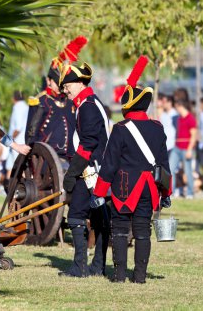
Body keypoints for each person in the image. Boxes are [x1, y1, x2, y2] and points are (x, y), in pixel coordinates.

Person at [91, 56, 172, 284]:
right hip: (149, 188)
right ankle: (140, 277)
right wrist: (166, 193)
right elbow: (163, 164)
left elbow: (109, 164)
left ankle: (119, 276)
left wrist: (98, 193)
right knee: (143, 232)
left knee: (119, 231)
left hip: (124, 187)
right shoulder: (157, 128)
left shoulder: (120, 128)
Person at [59, 36, 110, 278]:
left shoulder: (88, 106)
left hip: (90, 171)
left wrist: (71, 173)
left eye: (67, 85)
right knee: (99, 218)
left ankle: (81, 267)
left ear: (78, 83)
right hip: (95, 169)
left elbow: (88, 145)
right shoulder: (88, 103)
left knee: (77, 216)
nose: (64, 89)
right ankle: (97, 266)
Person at [169, 99, 197, 199]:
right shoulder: (179, 118)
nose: (176, 109)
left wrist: (190, 150)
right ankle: (170, 192)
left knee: (188, 170)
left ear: (181, 106)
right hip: (177, 147)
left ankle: (190, 192)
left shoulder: (190, 118)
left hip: (186, 148)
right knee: (170, 169)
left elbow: (193, 135)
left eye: (177, 107)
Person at [5, 90, 29, 178]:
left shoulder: (17, 107)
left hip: (17, 141)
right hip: (23, 139)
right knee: (11, 164)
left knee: (16, 166)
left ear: (14, 98)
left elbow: (17, 128)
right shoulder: (26, 106)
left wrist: (10, 139)